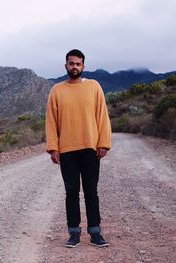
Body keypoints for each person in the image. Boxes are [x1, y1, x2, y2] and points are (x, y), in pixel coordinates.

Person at [45, 49, 112, 248]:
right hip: (67, 150)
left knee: (91, 191)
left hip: (90, 148)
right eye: (71, 63)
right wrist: (53, 148)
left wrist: (103, 143)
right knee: (71, 192)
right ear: (65, 65)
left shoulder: (93, 87)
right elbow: (51, 121)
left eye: (78, 64)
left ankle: (95, 233)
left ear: (83, 66)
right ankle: (73, 233)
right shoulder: (57, 90)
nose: (75, 67)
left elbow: (102, 116)